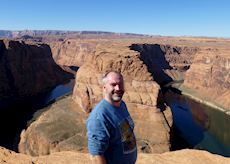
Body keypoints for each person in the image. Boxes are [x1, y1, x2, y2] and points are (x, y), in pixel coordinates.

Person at [87, 71, 137, 164]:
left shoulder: (122, 105)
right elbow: (95, 155)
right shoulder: (99, 116)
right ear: (104, 87)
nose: (118, 88)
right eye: (113, 85)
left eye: (120, 84)